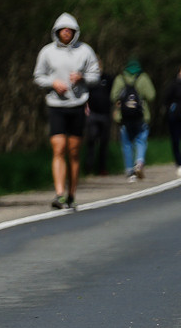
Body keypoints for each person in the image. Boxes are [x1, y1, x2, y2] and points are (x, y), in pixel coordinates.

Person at [33, 12, 100, 210]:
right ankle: (59, 193)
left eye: (70, 30)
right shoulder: (47, 52)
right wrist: (53, 83)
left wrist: (82, 77)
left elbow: (96, 76)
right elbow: (38, 76)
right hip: (56, 105)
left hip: (77, 105)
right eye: (63, 30)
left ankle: (72, 194)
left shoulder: (85, 51)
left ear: (75, 32)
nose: (66, 33)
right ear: (56, 32)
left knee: (73, 151)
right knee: (58, 147)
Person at [110, 59, 155, 181]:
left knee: (127, 144)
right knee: (141, 141)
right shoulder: (143, 77)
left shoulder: (120, 78)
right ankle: (139, 162)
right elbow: (151, 95)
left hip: (124, 116)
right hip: (141, 116)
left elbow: (113, 96)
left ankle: (130, 171)